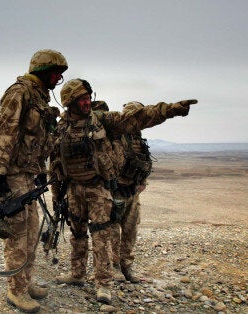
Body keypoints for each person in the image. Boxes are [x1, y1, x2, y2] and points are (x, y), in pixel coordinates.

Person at [49, 78, 196, 304]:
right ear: (70, 102)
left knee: (100, 237)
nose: (87, 102)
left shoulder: (102, 121)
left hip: (97, 189)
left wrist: (170, 110)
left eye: (89, 97)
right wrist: (57, 195)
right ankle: (77, 274)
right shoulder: (62, 128)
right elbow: (55, 163)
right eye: (82, 99)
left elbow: (136, 118)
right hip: (73, 189)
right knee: (77, 235)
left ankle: (104, 285)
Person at [0, 49, 68, 313]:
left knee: (31, 232)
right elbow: (5, 132)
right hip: (11, 174)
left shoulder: (39, 98)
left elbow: (37, 141)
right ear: (43, 71)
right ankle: (15, 291)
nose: (58, 78)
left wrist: (40, 170)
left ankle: (25, 282)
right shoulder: (19, 92)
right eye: (56, 73)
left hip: (27, 175)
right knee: (18, 235)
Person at [97, 101, 152, 284]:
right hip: (116, 191)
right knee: (113, 231)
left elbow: (144, 162)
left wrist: (142, 182)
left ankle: (127, 267)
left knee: (130, 230)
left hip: (133, 193)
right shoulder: (115, 135)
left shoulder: (137, 138)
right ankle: (114, 267)